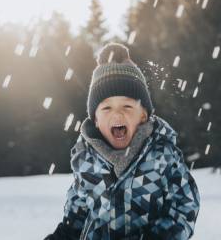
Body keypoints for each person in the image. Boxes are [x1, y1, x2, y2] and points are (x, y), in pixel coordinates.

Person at [45, 43, 200, 240]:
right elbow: (77, 213)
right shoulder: (86, 160)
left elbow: (184, 204)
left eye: (127, 106)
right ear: (96, 120)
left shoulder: (162, 155)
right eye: (106, 108)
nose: (117, 113)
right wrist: (63, 236)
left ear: (143, 115)